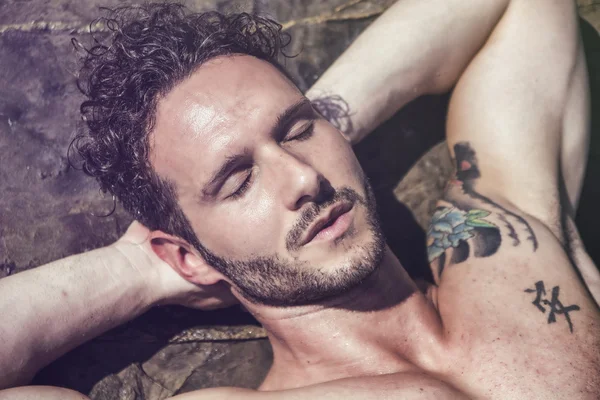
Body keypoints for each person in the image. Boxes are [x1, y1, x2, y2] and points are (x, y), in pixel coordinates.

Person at [1, 0, 599, 398]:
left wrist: (321, 116)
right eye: (237, 181)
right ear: (187, 255)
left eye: (298, 132)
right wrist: (136, 270)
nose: (303, 180)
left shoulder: (505, 236)